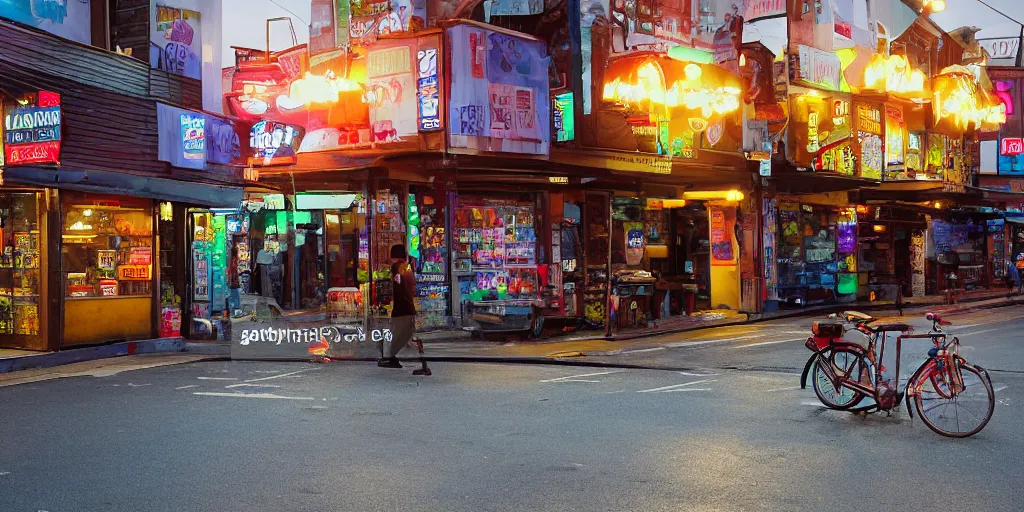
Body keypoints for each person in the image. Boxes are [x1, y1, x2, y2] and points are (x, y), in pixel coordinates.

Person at [379, 244, 416, 369]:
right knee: (403, 333)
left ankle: (389, 357)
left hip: (402, 307)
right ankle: (389, 357)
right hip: (407, 306)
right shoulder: (407, 267)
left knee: (400, 333)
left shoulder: (397, 267)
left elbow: (398, 285)